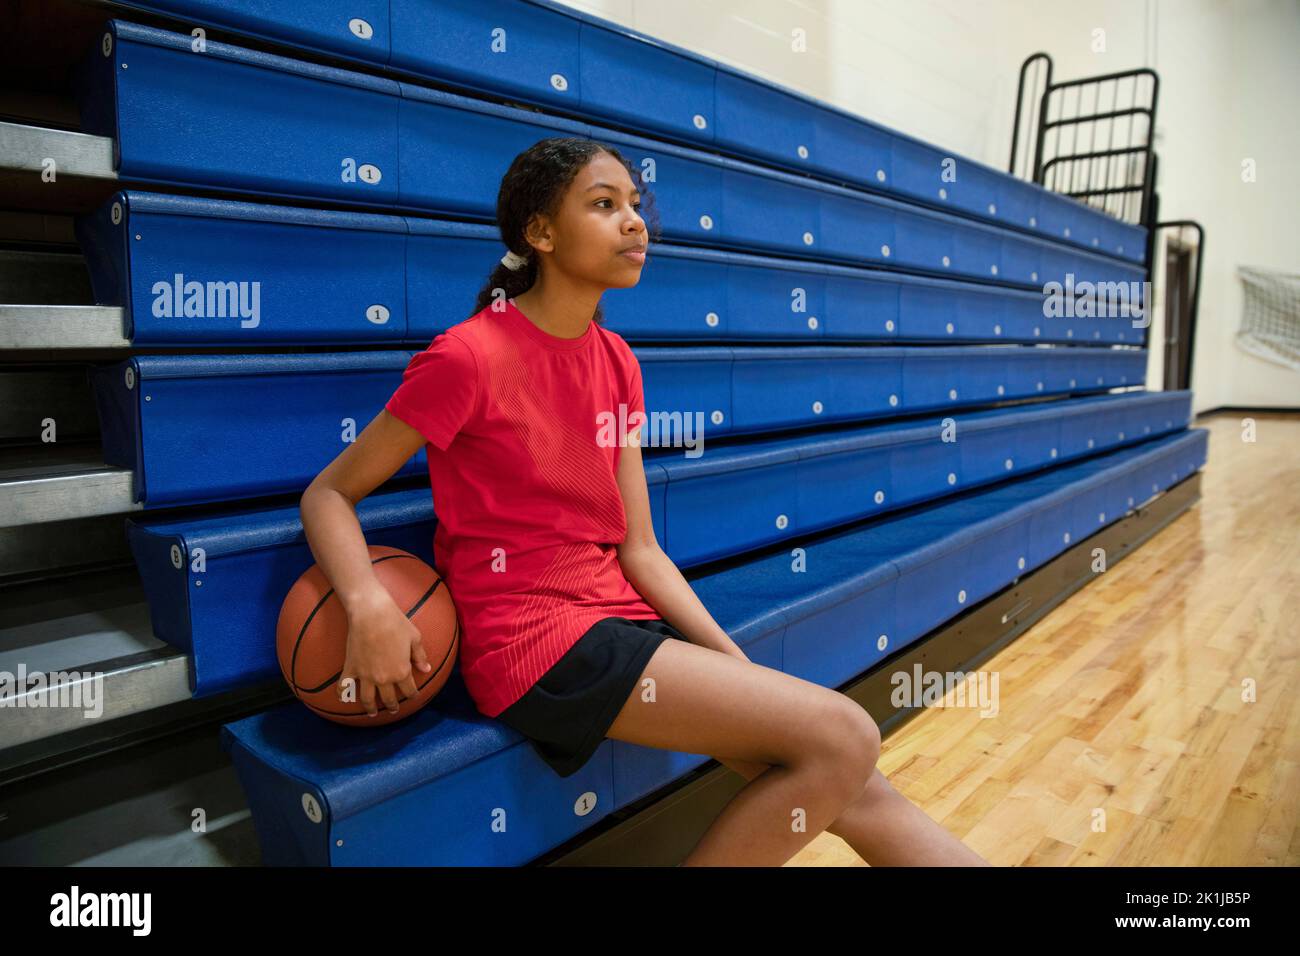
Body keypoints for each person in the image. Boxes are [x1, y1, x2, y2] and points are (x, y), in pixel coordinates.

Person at [299, 136, 989, 866]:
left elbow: (640, 550)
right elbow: (329, 494)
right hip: (532, 641)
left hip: (616, 618)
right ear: (540, 233)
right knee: (846, 736)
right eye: (604, 205)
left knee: (855, 781)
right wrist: (370, 603)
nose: (636, 222)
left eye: (636, 205)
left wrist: (738, 669)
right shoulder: (467, 357)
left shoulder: (617, 361)